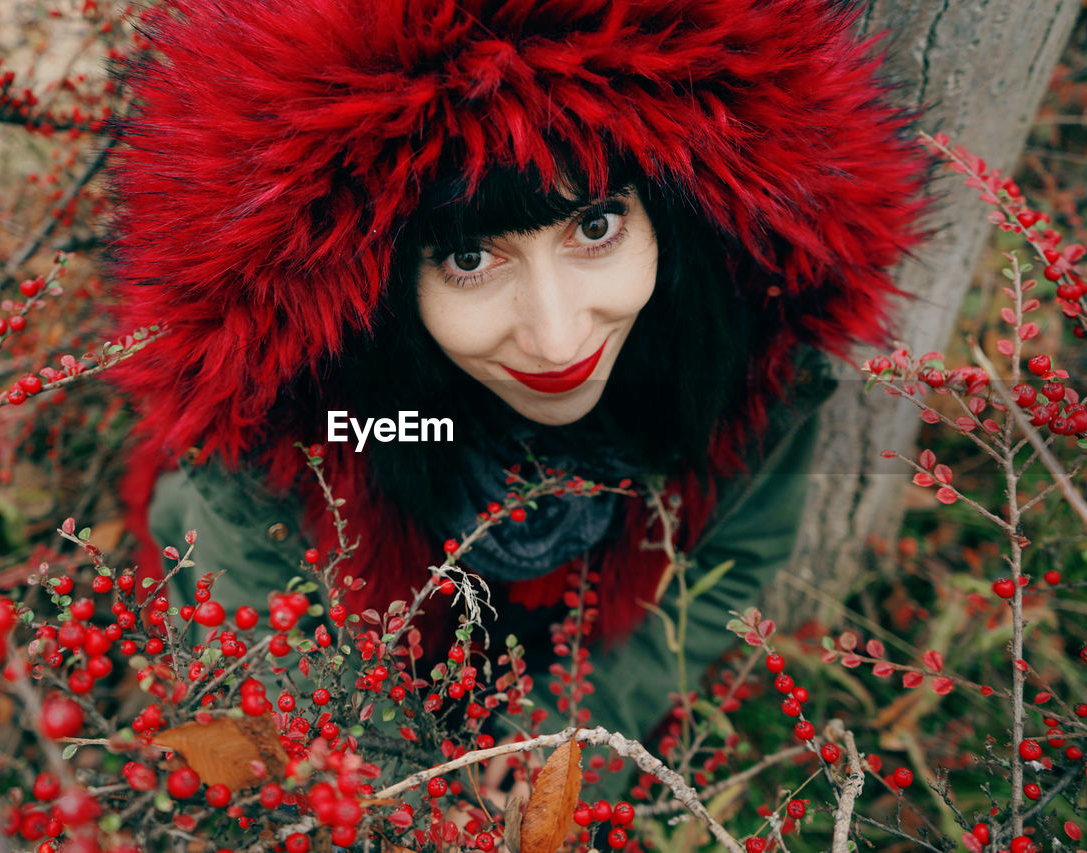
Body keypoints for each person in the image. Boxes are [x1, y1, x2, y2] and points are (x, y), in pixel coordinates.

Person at [107, 0, 926, 748]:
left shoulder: (737, 366)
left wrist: (568, 742)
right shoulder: (320, 418)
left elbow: (728, 569)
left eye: (595, 226)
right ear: (385, 280)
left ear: (669, 218)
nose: (557, 334)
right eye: (469, 257)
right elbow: (265, 616)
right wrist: (401, 788)